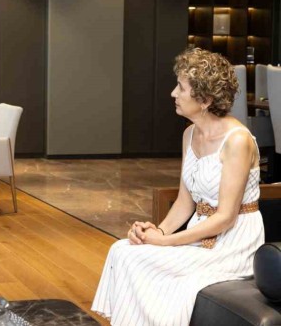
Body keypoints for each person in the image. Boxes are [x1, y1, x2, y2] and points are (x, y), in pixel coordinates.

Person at [92, 47, 265, 325]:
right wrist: (156, 232)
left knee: (147, 265)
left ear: (205, 99)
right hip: (199, 232)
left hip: (233, 243)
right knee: (122, 250)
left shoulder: (237, 141)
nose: (173, 93)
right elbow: (185, 202)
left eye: (181, 88)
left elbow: (226, 217)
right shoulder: (189, 134)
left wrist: (165, 242)